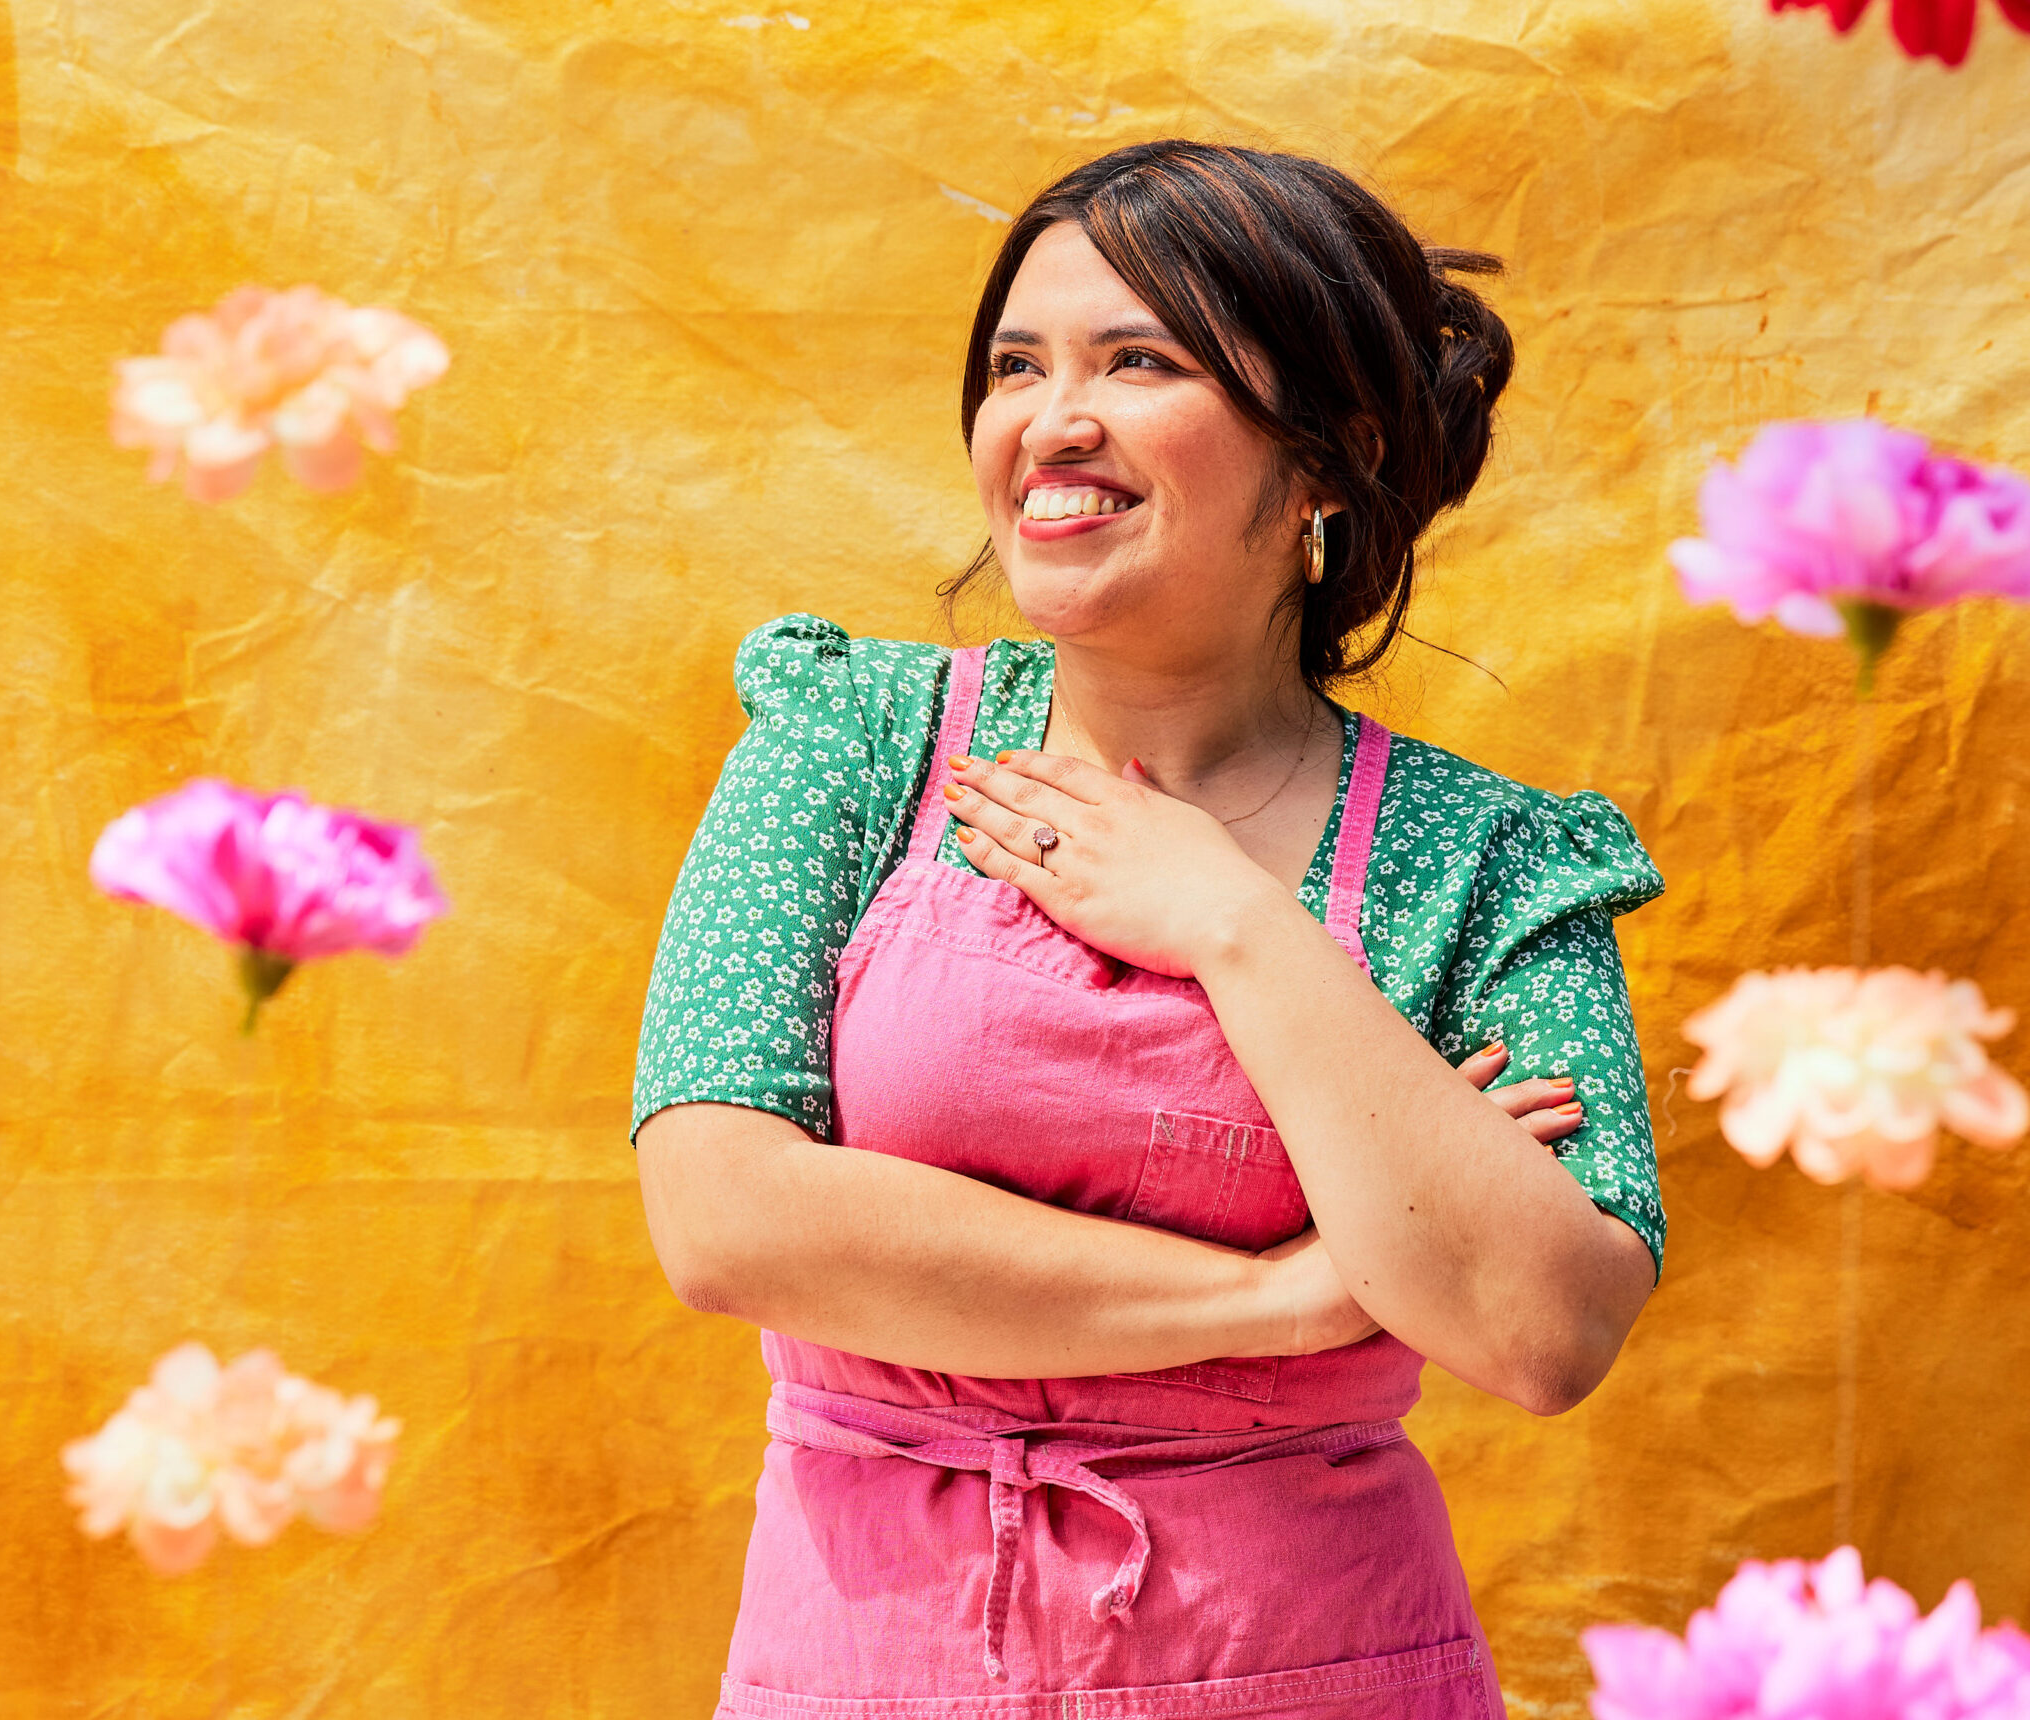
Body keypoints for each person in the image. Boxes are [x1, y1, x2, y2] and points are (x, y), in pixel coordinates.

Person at [631, 140, 1664, 1718]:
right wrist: (1293, 1300)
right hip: (868, 1662)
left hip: (1316, 1669)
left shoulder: (1495, 865)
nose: (1052, 420)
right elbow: (725, 1218)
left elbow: (1543, 1323)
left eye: (1141, 358)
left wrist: (1236, 924)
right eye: (1015, 367)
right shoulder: (846, 741)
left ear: (1331, 455)